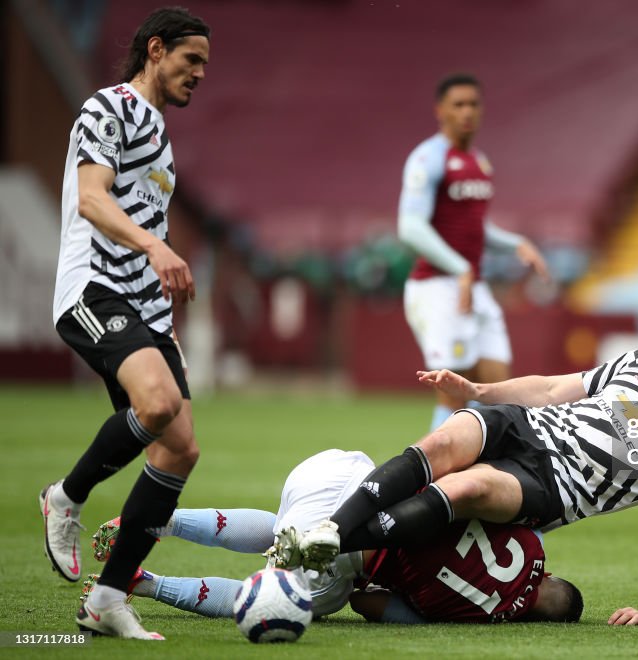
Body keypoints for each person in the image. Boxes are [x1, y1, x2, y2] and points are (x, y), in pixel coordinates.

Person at [295, 305, 638, 626]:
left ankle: (327, 547)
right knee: (443, 441)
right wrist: (479, 393)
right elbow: (549, 391)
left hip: (551, 486)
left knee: (466, 490)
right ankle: (327, 533)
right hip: (524, 425)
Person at [42, 7, 210, 640]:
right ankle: (67, 495)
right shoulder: (105, 108)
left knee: (180, 447)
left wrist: (161, 288)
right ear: (155, 49)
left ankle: (108, 599)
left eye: (205, 66)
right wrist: (157, 250)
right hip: (94, 287)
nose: (199, 75)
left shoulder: (160, 133)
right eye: (191, 61)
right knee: (160, 403)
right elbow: (92, 197)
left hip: (144, 306)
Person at [86, 449, 583, 624]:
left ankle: (162, 521)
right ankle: (145, 582)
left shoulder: (531, 542)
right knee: (270, 600)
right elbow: (372, 607)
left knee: (285, 532)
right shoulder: (484, 613)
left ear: (552, 575)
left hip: (343, 473)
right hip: (348, 552)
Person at [398, 73, 550, 431]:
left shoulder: (479, 162)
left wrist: (515, 243)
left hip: (472, 287)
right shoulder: (427, 158)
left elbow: (473, 227)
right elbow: (410, 226)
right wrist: (460, 269)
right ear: (440, 110)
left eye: (473, 104)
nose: (467, 112)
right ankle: (432, 480)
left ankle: (485, 474)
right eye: (458, 104)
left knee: (501, 391)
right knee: (453, 394)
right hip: (435, 287)